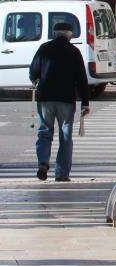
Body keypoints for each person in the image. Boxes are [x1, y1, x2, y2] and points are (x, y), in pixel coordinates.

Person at [29, 22, 90, 182]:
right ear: (69, 35)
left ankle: (43, 162)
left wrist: (37, 80)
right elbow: (82, 79)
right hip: (66, 99)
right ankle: (62, 174)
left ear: (54, 34)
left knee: (44, 131)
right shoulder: (74, 51)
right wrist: (85, 102)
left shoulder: (44, 48)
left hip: (45, 98)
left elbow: (33, 72)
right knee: (65, 136)